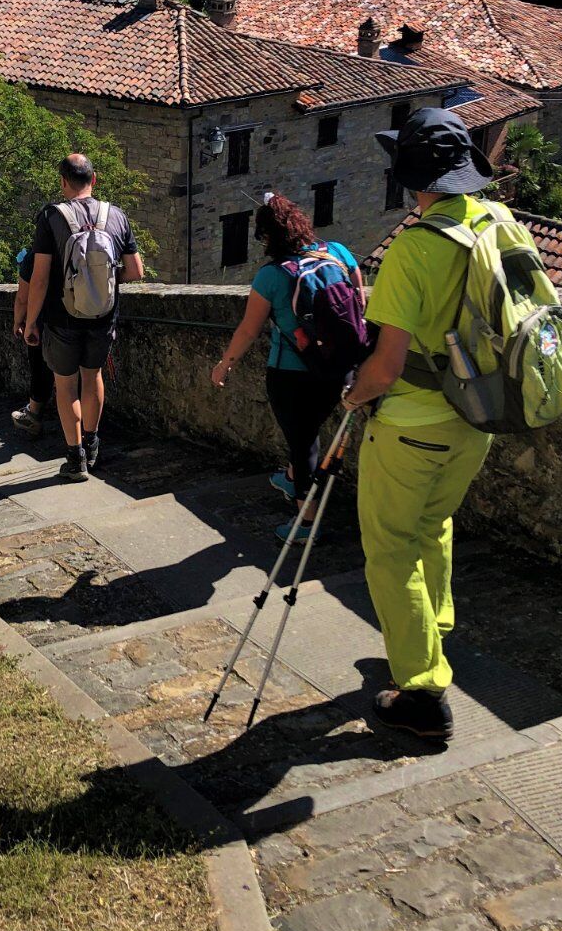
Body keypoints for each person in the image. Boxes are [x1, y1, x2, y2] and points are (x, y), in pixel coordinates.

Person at [343, 107, 498, 743]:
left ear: (411, 175)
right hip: (480, 415)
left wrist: (354, 397)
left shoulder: (415, 246)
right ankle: (428, 635)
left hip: (413, 424)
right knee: (433, 526)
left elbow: (387, 364)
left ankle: (422, 692)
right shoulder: (497, 223)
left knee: (389, 549)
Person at [211, 193, 364, 543]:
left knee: (303, 441)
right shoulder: (338, 253)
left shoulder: (271, 276)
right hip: (340, 366)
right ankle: (292, 477)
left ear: (268, 237)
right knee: (305, 435)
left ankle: (306, 524)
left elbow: (249, 329)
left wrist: (224, 364)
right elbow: (358, 301)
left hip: (291, 372)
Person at [25, 154, 144, 481]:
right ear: (95, 179)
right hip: (103, 316)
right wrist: (99, 281)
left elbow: (39, 278)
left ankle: (75, 459)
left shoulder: (51, 217)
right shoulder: (117, 215)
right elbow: (136, 271)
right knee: (92, 378)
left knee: (66, 385)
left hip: (62, 318)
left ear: (63, 182)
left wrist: (31, 321)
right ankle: (92, 444)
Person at [11, 242, 54, 437]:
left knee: (40, 370)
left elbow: (22, 298)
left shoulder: (34, 255)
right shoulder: (78, 248)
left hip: (43, 323)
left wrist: (19, 322)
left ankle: (34, 415)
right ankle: (87, 433)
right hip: (84, 321)